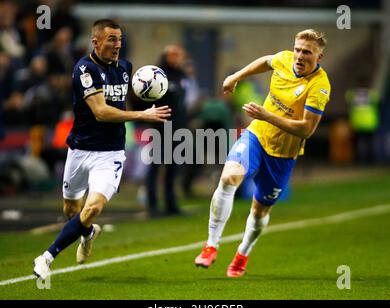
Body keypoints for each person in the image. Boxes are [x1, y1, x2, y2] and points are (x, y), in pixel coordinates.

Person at [33, 19, 171, 280]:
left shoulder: (126, 68)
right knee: (72, 211)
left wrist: (152, 94)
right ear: (95, 41)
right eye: (111, 39)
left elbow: (126, 100)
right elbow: (101, 112)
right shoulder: (84, 69)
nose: (117, 44)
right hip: (80, 149)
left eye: (119, 39)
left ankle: (46, 257)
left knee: (93, 207)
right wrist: (143, 115)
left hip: (111, 154)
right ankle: (88, 233)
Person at [194, 29, 331, 277]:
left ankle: (242, 253)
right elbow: (266, 60)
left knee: (259, 211)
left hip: (283, 155)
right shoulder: (285, 59)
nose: (299, 56)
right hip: (257, 135)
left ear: (318, 57)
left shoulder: (319, 87)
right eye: (298, 49)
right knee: (227, 178)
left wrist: (267, 114)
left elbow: (307, 130)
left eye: (307, 52)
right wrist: (235, 76)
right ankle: (211, 245)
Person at [145, 44, 188, 217]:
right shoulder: (157, 75)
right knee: (155, 166)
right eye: (172, 54)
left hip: (178, 128)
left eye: (178, 54)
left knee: (173, 167)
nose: (176, 58)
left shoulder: (182, 75)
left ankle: (171, 204)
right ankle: (152, 204)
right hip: (160, 127)